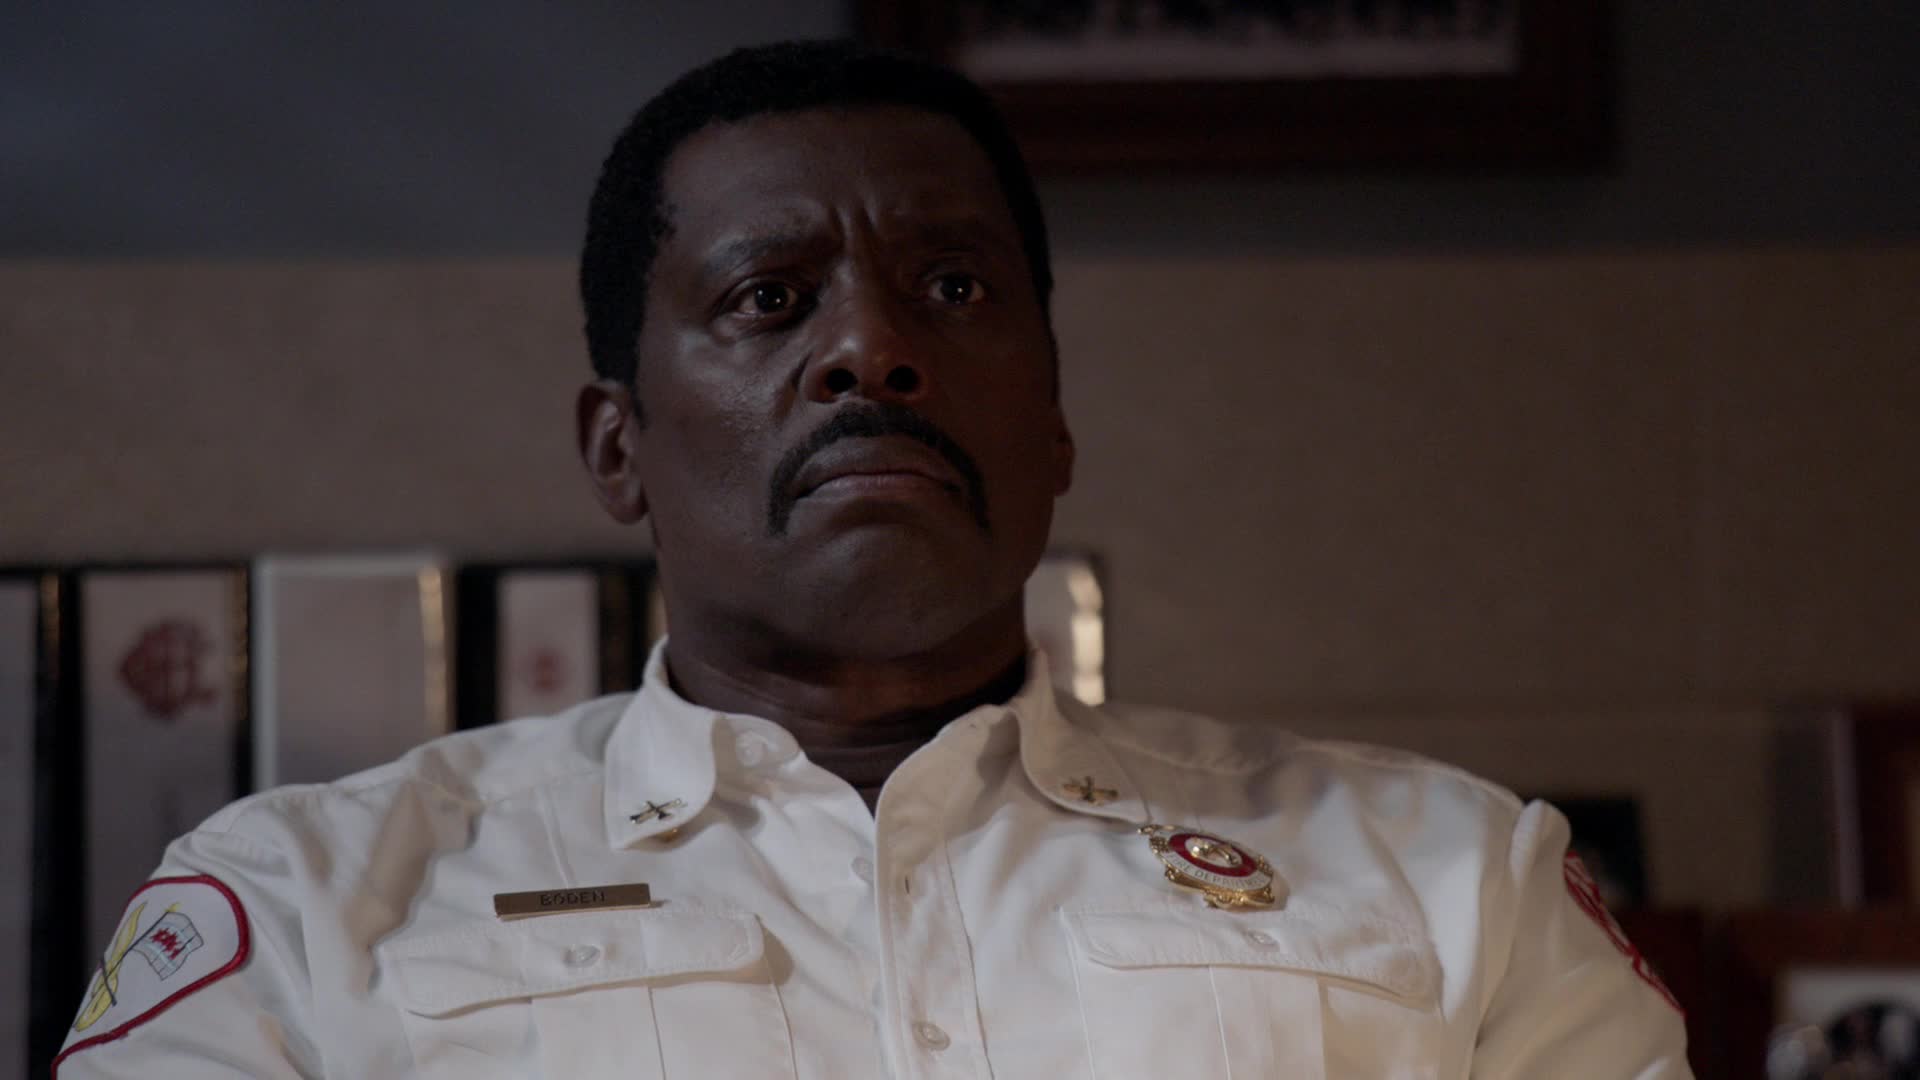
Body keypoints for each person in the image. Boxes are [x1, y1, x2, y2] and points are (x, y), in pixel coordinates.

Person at [54, 39, 1692, 1079]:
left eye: (954, 291)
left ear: (1053, 422)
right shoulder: (304, 910)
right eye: (769, 299)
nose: (872, 351)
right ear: (619, 447)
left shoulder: (1454, 884)